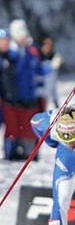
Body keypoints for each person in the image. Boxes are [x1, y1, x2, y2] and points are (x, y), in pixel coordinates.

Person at [3, 19, 46, 160]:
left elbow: (37, 71)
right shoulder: (11, 54)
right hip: (13, 98)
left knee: (28, 127)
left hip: (29, 96)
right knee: (14, 127)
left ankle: (29, 152)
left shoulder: (29, 52)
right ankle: (12, 152)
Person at [36, 34, 64, 109]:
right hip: (39, 97)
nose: (49, 47)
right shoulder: (36, 57)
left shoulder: (53, 57)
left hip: (51, 96)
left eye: (50, 44)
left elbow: (53, 82)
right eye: (46, 44)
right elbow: (39, 73)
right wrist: (51, 66)